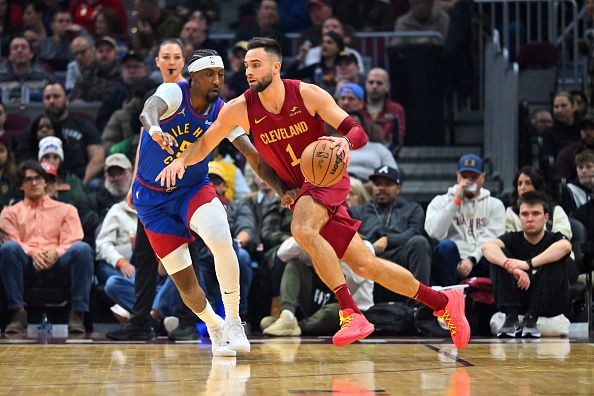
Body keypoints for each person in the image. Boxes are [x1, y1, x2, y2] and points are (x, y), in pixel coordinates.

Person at [156, 37, 470, 349]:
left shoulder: (307, 94)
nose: (248, 71)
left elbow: (355, 130)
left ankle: (350, 312)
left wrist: (344, 143)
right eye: (246, 65)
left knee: (302, 229)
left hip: (326, 178)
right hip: (300, 191)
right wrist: (181, 161)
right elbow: (206, 143)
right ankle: (444, 301)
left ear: (275, 67)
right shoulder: (239, 109)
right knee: (364, 264)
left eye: (256, 64)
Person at [133, 48, 290, 355]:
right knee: (187, 284)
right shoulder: (172, 93)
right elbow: (148, 110)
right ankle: (215, 327)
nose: (217, 80)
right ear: (193, 77)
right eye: (209, 74)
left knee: (221, 239)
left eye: (220, 74)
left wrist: (284, 190)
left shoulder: (223, 111)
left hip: (192, 188)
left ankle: (233, 321)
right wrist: (155, 130)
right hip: (152, 201)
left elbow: (253, 156)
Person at [0, 160, 94, 334]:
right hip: (26, 265)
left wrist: (56, 252)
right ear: (21, 186)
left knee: (82, 249)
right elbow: (11, 239)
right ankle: (17, 313)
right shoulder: (10, 212)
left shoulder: (67, 209)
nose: (34, 183)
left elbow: (73, 239)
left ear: (45, 182)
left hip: (59, 265)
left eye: (38, 178)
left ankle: (77, 314)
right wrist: (33, 252)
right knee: (9, 249)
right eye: (28, 180)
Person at [482, 191, 572, 338]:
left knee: (556, 259)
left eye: (535, 213)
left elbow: (566, 247)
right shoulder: (513, 238)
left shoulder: (554, 237)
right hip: (520, 300)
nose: (530, 219)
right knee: (499, 256)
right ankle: (511, 317)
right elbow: (487, 247)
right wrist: (510, 267)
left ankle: (532, 317)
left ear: (546, 217)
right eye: (525, 214)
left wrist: (527, 265)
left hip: (548, 304)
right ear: (519, 217)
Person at [425, 154, 506, 287]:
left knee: (498, 252)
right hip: (453, 260)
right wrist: (455, 202)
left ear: (483, 177)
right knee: (445, 247)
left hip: (481, 258)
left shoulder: (495, 204)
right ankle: (448, 301)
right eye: (464, 177)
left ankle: (498, 305)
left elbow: (493, 238)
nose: (468, 182)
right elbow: (435, 233)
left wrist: (472, 259)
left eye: (473, 177)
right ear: (457, 177)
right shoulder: (440, 201)